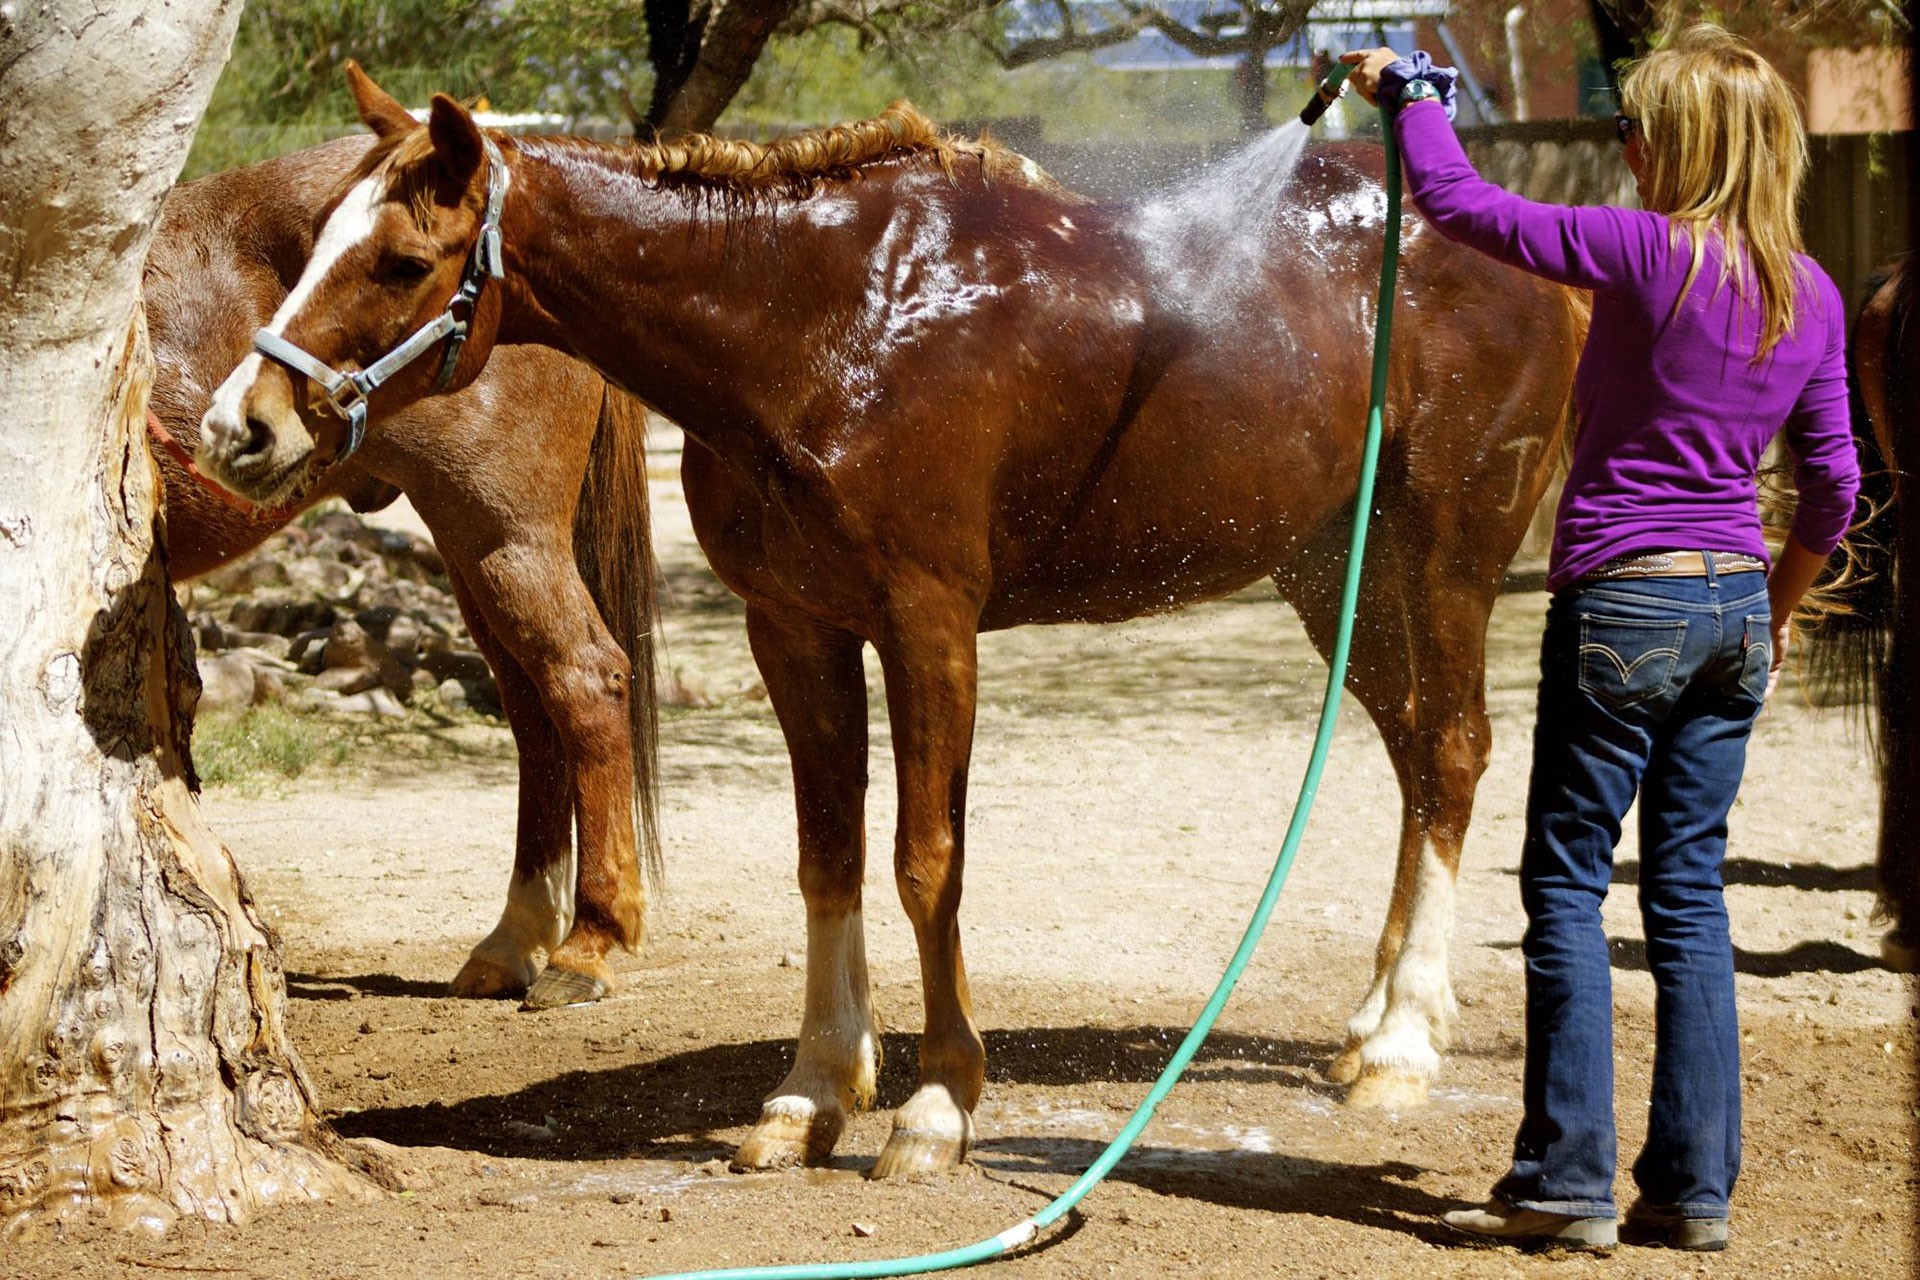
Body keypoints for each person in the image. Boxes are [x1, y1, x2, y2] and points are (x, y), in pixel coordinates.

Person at [1340, 25, 1861, 1254]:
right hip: (1736, 604)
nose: (1625, 150)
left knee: (1567, 881)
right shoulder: (1814, 290)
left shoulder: (1642, 249)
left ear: (1675, 147)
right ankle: (1692, 1191)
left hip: (1625, 597)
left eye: (1637, 132)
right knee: (1689, 894)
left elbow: (1460, 199)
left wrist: (1411, 88)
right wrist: (1778, 606)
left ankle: (1562, 1175)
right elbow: (1832, 485)